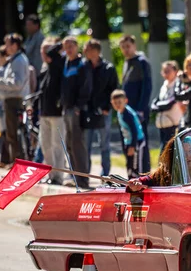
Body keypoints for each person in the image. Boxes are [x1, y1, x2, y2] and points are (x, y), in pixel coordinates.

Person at [0, 33, 30, 166]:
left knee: (13, 134)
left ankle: (17, 164)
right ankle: (15, 162)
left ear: (14, 45)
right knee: (11, 133)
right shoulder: (14, 59)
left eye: (8, 44)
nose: (5, 47)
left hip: (14, 100)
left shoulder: (18, 61)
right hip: (10, 100)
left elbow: (17, 83)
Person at [59, 36, 92, 188]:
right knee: (69, 144)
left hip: (77, 109)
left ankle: (82, 179)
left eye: (71, 46)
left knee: (78, 144)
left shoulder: (82, 64)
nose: (68, 49)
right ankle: (74, 177)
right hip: (66, 109)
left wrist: (79, 106)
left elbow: (86, 87)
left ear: (77, 47)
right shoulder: (66, 63)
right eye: (65, 47)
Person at [83, 39, 118, 177]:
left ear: (96, 51)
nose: (86, 52)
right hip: (87, 111)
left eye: (88, 49)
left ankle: (105, 173)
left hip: (103, 111)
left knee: (104, 143)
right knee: (86, 144)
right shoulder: (84, 67)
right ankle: (86, 172)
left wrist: (108, 107)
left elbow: (114, 89)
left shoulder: (108, 68)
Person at [119, 35, 151, 173]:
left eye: (128, 46)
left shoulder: (142, 62)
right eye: (123, 47)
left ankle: (143, 173)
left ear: (134, 46)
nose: (126, 50)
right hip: (126, 110)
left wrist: (141, 110)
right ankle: (132, 172)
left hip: (138, 111)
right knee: (128, 141)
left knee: (140, 143)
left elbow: (147, 87)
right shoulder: (127, 62)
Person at [37, 37, 65, 185]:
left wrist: (58, 45)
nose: (44, 53)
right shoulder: (44, 69)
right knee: (45, 145)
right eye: (42, 50)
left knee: (57, 146)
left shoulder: (58, 64)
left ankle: (58, 177)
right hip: (44, 113)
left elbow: (53, 53)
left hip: (57, 113)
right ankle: (51, 175)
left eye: (47, 49)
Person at [111, 90, 146, 179]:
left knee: (136, 164)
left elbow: (134, 131)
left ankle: (138, 180)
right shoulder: (120, 112)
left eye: (119, 102)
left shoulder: (127, 114)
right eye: (115, 103)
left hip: (136, 141)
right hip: (129, 141)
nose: (117, 105)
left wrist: (132, 146)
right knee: (129, 163)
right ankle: (130, 179)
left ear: (125, 101)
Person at [151, 60, 182, 152]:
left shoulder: (178, 84)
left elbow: (170, 103)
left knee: (167, 150)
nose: (165, 73)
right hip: (163, 123)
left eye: (168, 71)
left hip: (172, 123)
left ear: (176, 71)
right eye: (164, 71)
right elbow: (157, 100)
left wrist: (157, 107)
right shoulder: (165, 85)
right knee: (163, 148)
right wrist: (154, 106)